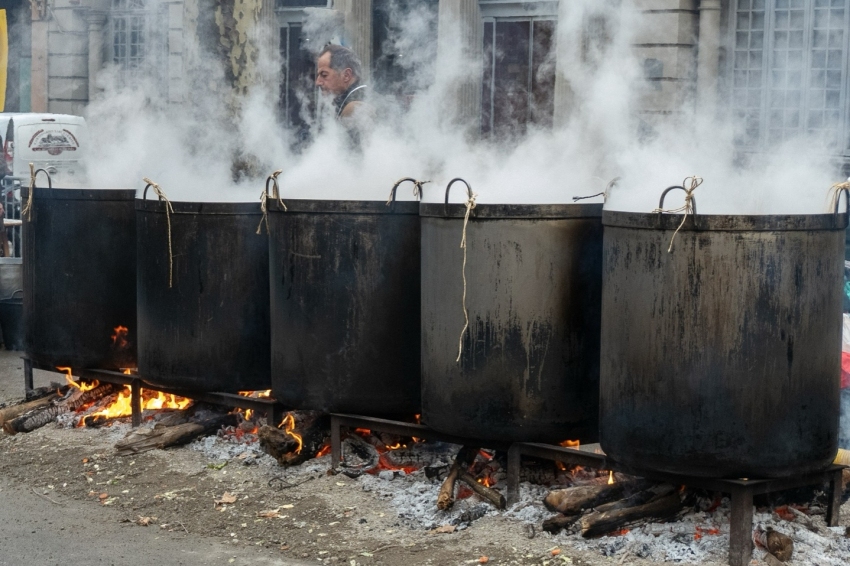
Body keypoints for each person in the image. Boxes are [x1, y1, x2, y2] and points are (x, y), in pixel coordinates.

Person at [315, 44, 374, 136]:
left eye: (324, 75)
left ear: (346, 75)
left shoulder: (354, 108)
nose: (318, 82)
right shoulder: (358, 97)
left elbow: (347, 150)